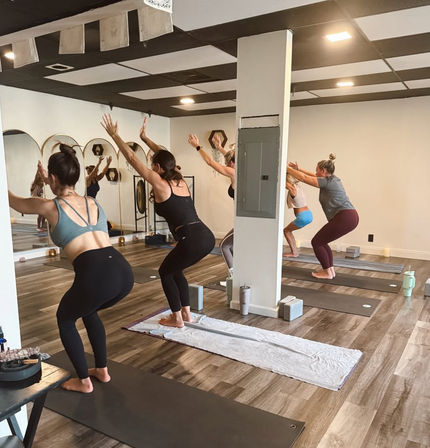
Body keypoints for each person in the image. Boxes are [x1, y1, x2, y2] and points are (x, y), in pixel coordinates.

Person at [8, 144, 134, 393]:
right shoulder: (92, 201)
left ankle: (84, 382)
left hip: (95, 275)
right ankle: (102, 370)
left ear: (53, 178)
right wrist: (47, 178)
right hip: (122, 271)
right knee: (88, 311)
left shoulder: (50, 207)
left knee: (65, 319)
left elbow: (15, 202)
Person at [102, 114, 215, 328]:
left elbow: (133, 160)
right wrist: (145, 139)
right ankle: (186, 313)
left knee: (165, 272)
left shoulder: (161, 182)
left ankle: (177, 318)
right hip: (205, 236)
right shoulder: (178, 178)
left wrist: (116, 137)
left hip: (190, 238)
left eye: (154, 166)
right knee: (176, 270)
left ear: (159, 168)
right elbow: (166, 157)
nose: (152, 169)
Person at [287, 154, 358, 279]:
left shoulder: (327, 183)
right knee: (322, 242)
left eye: (317, 170)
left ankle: (327, 272)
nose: (315, 172)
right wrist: (298, 169)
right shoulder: (333, 179)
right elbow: (311, 175)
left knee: (317, 242)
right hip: (349, 216)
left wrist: (286, 168)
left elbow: (304, 178)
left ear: (323, 171)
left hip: (345, 216)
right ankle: (330, 271)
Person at [187, 133, 235, 275]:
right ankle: (237, 274)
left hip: (243, 222)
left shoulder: (233, 172)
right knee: (232, 247)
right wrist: (219, 148)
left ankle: (234, 276)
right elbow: (231, 157)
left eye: (227, 163)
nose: (226, 165)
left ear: (231, 163)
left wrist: (197, 146)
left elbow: (209, 162)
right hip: (245, 220)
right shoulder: (243, 170)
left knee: (224, 246)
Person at [284, 174, 313, 257]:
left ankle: (294, 252)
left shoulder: (293, 189)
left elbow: (284, 183)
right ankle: (294, 252)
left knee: (286, 231)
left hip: (303, 216)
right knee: (288, 230)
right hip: (308, 214)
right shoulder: (298, 187)